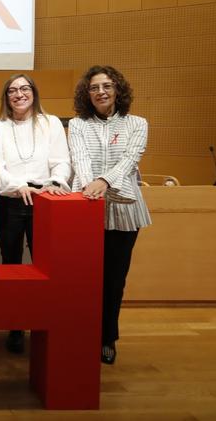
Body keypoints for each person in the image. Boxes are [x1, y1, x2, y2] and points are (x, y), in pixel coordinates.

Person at [68, 65, 151, 365]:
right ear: (86, 94)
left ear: (117, 89)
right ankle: (82, 334)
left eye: (106, 86)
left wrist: (103, 183)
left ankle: (107, 338)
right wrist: (91, 188)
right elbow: (79, 158)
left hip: (125, 210)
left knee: (115, 279)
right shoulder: (78, 125)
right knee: (84, 279)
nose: (100, 92)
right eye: (94, 88)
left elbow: (131, 159)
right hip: (86, 209)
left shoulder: (138, 123)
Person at [0, 74, 71, 354]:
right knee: (12, 266)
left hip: (46, 199)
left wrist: (53, 185)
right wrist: (19, 187)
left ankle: (44, 325)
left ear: (34, 93)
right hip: (10, 200)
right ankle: (15, 327)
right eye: (12, 90)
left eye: (25, 88)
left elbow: (61, 161)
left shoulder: (51, 123)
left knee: (46, 266)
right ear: (6, 97)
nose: (19, 94)